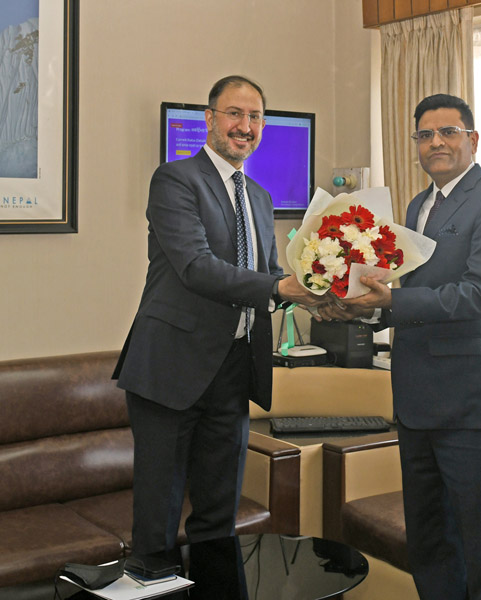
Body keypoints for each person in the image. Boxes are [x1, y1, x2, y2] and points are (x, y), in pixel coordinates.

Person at [112, 75, 327, 600]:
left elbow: (269, 274)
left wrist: (322, 294)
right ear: (209, 119)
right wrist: (279, 286)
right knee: (158, 521)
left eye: (255, 118)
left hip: (235, 366)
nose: (245, 126)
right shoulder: (175, 180)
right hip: (170, 368)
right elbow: (196, 267)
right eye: (235, 114)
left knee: (218, 515)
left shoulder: (260, 196)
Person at [321, 93, 481, 600]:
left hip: (470, 407)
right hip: (416, 402)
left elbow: (479, 294)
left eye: (448, 132)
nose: (436, 142)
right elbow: (407, 291)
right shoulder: (417, 205)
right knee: (430, 545)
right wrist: (363, 308)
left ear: (472, 139)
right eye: (425, 135)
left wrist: (392, 299)